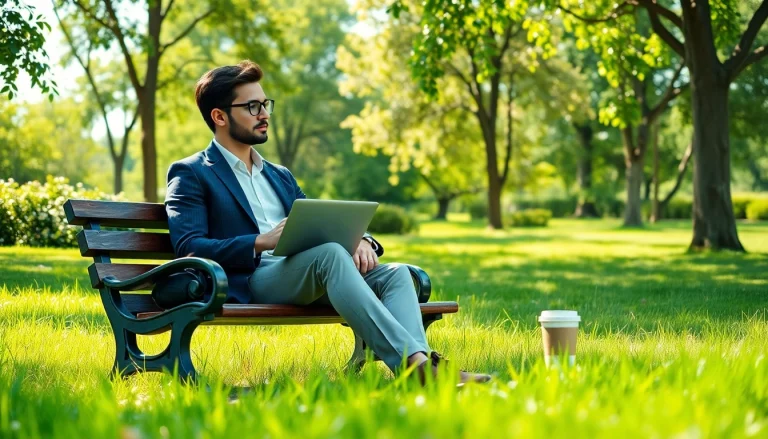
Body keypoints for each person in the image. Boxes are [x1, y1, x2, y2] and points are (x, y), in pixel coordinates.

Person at [164, 60, 491, 385]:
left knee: (397, 274)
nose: (264, 114)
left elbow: (321, 219)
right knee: (331, 255)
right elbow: (189, 245)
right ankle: (419, 368)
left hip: (304, 272)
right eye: (252, 106)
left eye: (265, 104)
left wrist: (361, 240)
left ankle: (420, 365)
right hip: (250, 278)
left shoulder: (279, 175)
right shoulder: (193, 172)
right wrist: (260, 241)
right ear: (219, 116)